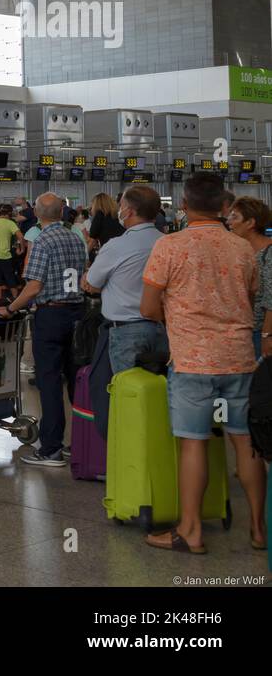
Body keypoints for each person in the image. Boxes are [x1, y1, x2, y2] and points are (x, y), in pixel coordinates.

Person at [140, 174, 267, 554]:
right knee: (245, 443)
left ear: (183, 204)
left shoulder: (170, 246)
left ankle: (191, 531)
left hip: (193, 363)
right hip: (239, 360)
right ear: (225, 207)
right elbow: (250, 295)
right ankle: (260, 530)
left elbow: (148, 307)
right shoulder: (243, 248)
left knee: (193, 444)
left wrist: (176, 316)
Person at [0, 193, 87, 467]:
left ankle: (51, 448)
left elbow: (34, 286)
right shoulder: (76, 237)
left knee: (48, 382)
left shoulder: (43, 240)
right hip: (77, 313)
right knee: (76, 382)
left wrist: (10, 308)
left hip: (51, 314)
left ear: (37, 213)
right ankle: (80, 443)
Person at [82, 186, 167, 375]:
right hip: (161, 327)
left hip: (126, 331)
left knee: (128, 391)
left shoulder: (117, 245)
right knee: (159, 389)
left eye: (121, 205)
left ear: (129, 211)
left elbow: (92, 284)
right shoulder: (167, 242)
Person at [226, 196, 272, 361]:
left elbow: (271, 299)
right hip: (243, 330)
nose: (229, 222)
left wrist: (268, 336)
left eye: (235, 217)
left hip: (261, 332)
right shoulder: (240, 251)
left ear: (250, 223)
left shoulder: (269, 253)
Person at [0, 204, 25, 301]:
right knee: (10, 279)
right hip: (5, 256)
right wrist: (22, 249)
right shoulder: (10, 223)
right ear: (9, 214)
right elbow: (21, 237)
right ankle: (15, 300)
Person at [88, 192, 125, 258]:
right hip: (122, 249)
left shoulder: (99, 214)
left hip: (110, 251)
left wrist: (85, 256)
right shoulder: (115, 215)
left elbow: (92, 239)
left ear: (96, 204)